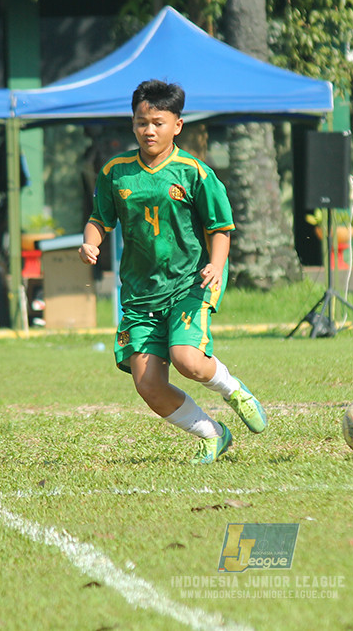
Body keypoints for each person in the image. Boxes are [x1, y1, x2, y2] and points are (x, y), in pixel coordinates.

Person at [78, 79, 266, 465]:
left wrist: (216, 264)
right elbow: (99, 219)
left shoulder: (194, 172)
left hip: (190, 282)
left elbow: (220, 228)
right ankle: (213, 435)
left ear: (177, 125)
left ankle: (233, 390)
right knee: (148, 384)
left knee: (187, 359)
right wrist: (90, 243)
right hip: (140, 294)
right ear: (133, 123)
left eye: (158, 123)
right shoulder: (116, 172)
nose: (149, 130)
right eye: (141, 122)